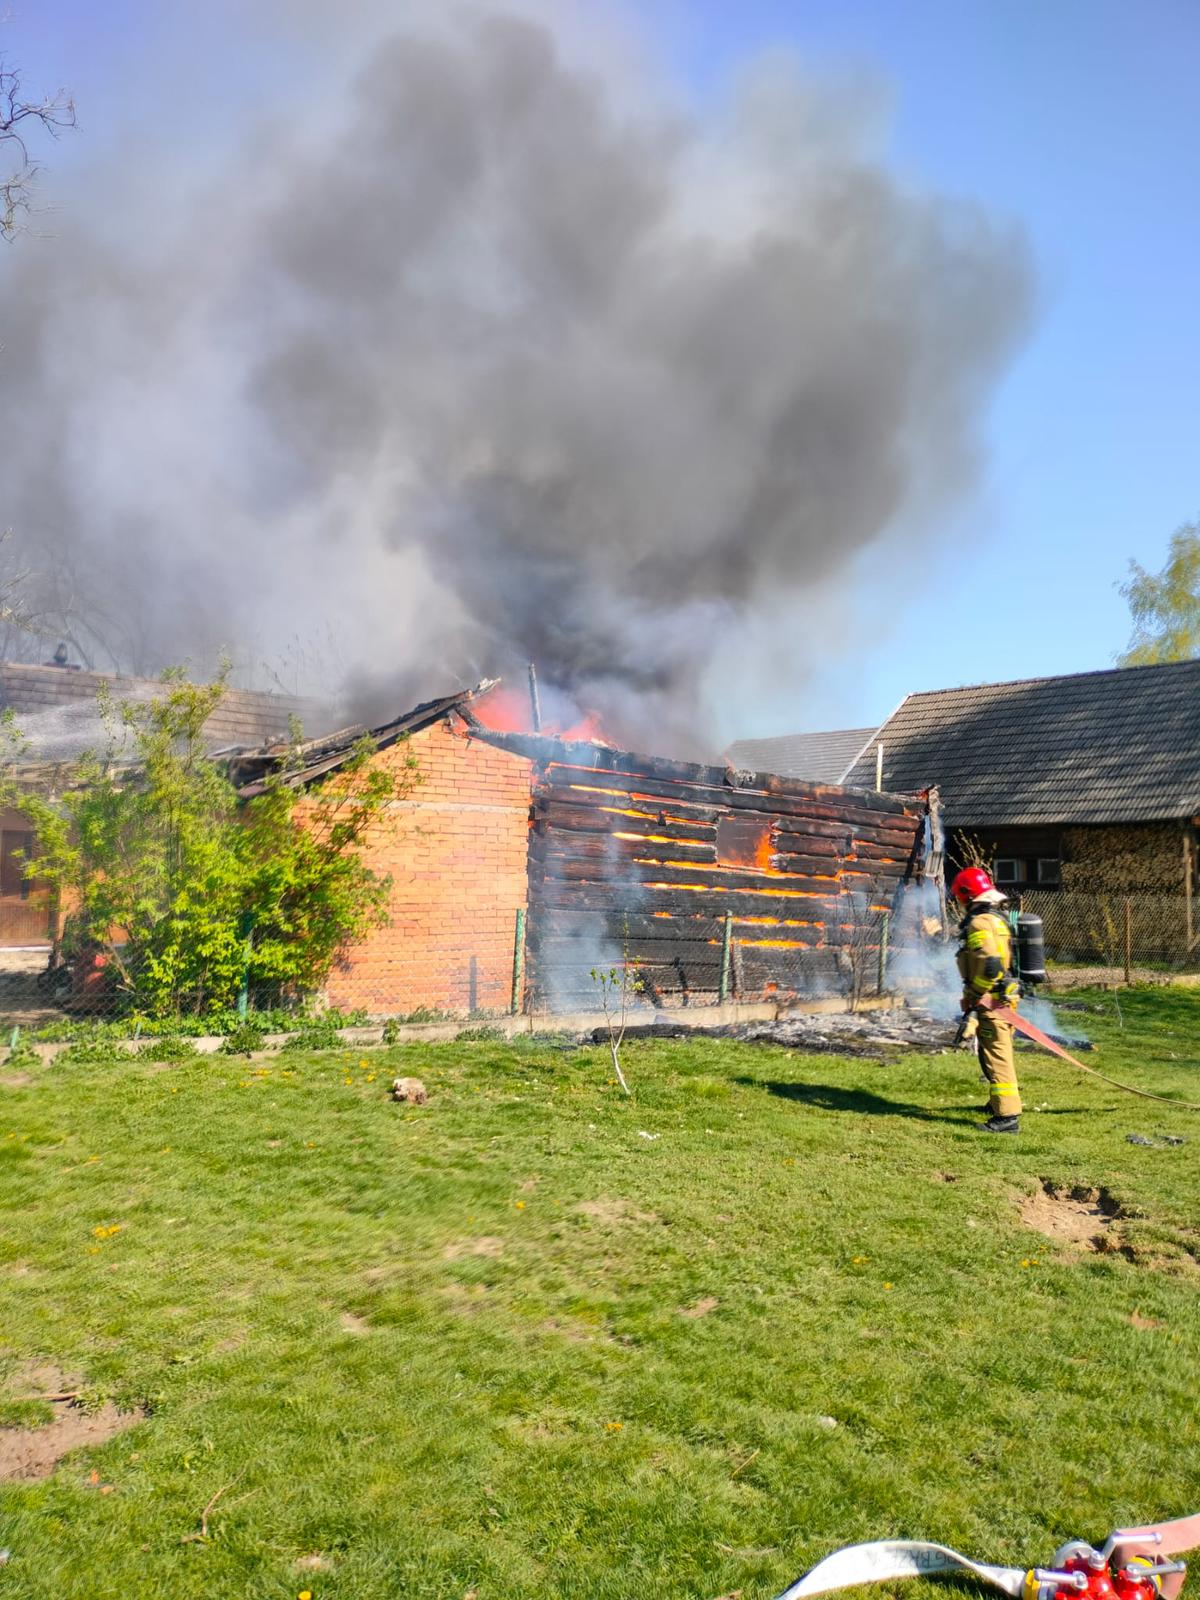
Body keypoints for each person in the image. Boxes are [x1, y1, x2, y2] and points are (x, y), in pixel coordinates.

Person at [950, 866, 1022, 1134]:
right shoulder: (997, 919)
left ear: (967, 895)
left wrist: (975, 995)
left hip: (992, 1001)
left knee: (997, 1056)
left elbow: (991, 966)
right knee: (992, 1051)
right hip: (1002, 997)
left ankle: (1007, 1118)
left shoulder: (980, 923)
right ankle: (996, 1104)